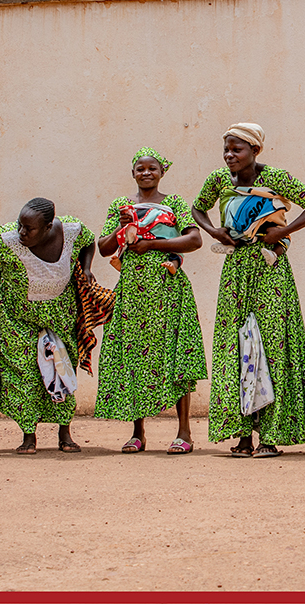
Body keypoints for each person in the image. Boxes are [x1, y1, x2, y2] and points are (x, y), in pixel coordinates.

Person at [192, 123, 305, 457]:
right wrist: (213, 231)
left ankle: (269, 435)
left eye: (236, 149)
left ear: (256, 151)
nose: (229, 156)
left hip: (270, 268)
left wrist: (282, 233)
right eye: (226, 149)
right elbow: (197, 208)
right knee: (237, 345)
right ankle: (242, 436)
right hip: (236, 268)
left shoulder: (276, 178)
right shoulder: (219, 181)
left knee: (271, 344)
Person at [0, 198, 99, 454]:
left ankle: (64, 433)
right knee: (22, 372)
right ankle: (29, 436)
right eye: (20, 225)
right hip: (16, 318)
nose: (22, 232)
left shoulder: (72, 230)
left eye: (29, 228)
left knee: (62, 368)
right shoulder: (6, 239)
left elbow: (89, 242)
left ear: (49, 227)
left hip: (61, 314)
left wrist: (87, 267)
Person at [95, 149, 207, 454]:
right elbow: (104, 249)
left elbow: (194, 240)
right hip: (132, 294)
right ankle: (138, 433)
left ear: (162, 172)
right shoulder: (121, 207)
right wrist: (121, 226)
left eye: (152, 168)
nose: (146, 173)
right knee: (133, 360)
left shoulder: (175, 204)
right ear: (133, 173)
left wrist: (153, 244)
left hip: (169, 290)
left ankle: (184, 432)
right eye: (140, 169)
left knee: (176, 357)